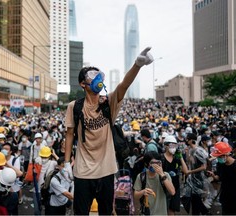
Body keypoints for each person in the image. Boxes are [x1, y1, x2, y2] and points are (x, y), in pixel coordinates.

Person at [64, 47, 154, 215]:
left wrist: (137, 65)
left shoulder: (108, 104)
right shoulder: (74, 107)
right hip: (83, 172)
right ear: (83, 84)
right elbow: (69, 134)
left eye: (99, 75)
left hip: (107, 171)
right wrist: (66, 163)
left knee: (106, 211)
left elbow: (123, 86)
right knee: (81, 212)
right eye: (92, 76)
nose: (98, 78)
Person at [162, 135, 188, 215]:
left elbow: (185, 171)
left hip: (175, 187)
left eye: (175, 145)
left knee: (172, 210)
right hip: (163, 188)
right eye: (171, 145)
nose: (173, 147)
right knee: (163, 209)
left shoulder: (177, 158)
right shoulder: (161, 158)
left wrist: (180, 157)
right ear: (166, 146)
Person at [208, 142, 236, 215]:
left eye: (219, 156)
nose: (218, 158)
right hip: (225, 196)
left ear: (226, 154)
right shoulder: (220, 164)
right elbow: (219, 178)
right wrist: (214, 176)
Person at [185, 132, 210, 215]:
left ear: (192, 140)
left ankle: (206, 212)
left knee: (196, 200)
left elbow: (204, 167)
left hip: (199, 180)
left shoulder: (199, 151)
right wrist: (187, 153)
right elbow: (191, 163)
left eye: (187, 139)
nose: (186, 140)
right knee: (195, 202)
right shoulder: (191, 150)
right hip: (192, 180)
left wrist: (190, 172)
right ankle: (205, 212)